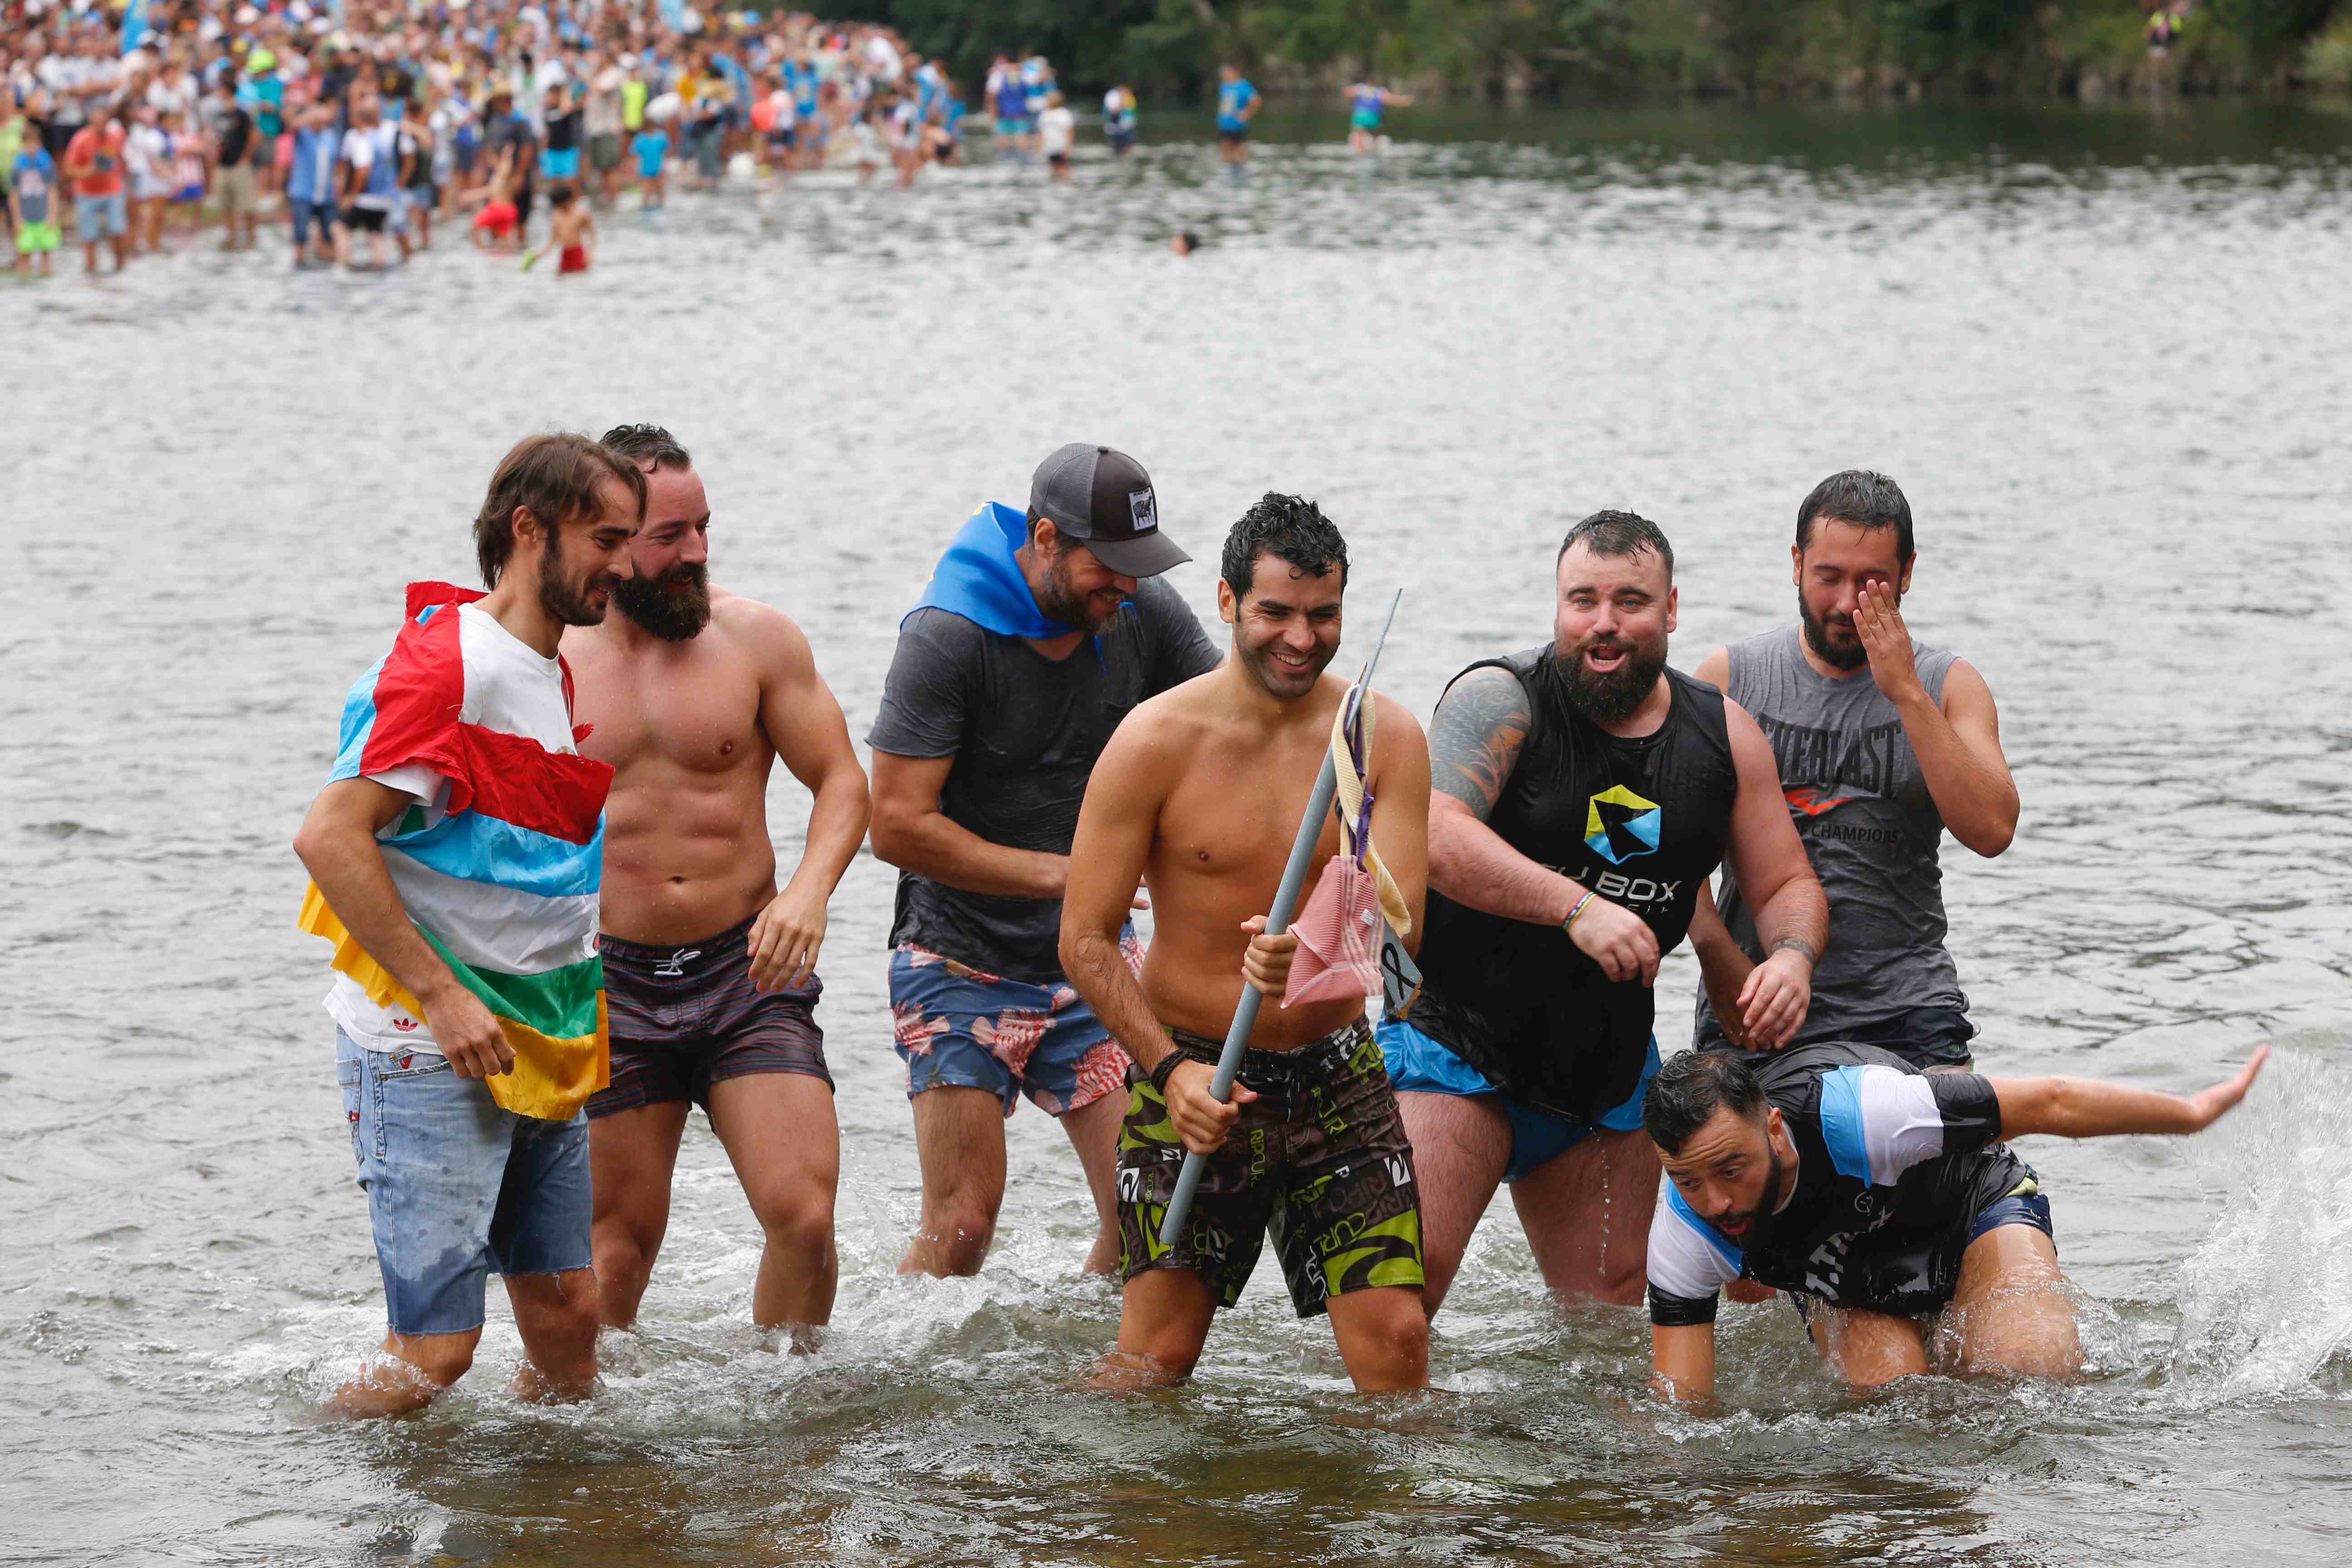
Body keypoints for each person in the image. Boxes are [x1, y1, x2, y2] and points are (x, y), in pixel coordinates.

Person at [1382, 511, 1828, 1318]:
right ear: (1556, 606)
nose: (1603, 624)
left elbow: (1783, 881)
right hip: (1456, 1046)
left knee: (1612, 1320)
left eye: (1629, 601)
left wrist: (1790, 956)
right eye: (1581, 600)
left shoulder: (1722, 738)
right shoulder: (1499, 700)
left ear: (1670, 608)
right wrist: (1573, 906)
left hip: (1602, 1077)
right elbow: (1430, 833)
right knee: (1402, 1300)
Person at [291, 431, 648, 1419]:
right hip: (427, 1046)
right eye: (605, 538)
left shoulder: (544, 667)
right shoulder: (450, 664)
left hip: (531, 1038)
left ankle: (560, 1521)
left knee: (571, 1321)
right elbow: (330, 836)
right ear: (529, 530)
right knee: (435, 1356)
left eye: (632, 540)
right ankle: (302, 1483)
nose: (625, 565)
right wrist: (442, 998)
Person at [1060, 493, 1433, 1392]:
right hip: (1191, 1070)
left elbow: (1403, 937)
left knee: (1398, 1348)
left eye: (1323, 615)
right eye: (1275, 612)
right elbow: (1084, 941)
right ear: (1228, 605)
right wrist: (1169, 1073)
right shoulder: (1153, 742)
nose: (1301, 638)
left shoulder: (1383, 738)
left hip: (1337, 1074)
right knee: (1155, 1364)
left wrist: (1309, 952)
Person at [867, 443, 1220, 1279]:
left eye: (1141, 566)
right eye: (1110, 565)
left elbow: (1229, 724)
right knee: (961, 1229)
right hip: (957, 960)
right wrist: (1067, 876)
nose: (1127, 587)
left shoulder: (1142, 611)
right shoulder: (947, 637)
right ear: (1044, 537)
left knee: (1152, 1212)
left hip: (1088, 961)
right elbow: (894, 827)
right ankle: (922, 1398)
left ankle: (1082, 1377)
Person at [562, 424, 870, 1343]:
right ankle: (586, 1452)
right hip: (608, 981)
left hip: (748, 973)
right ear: (606, 540)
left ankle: (786, 1417)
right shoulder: (550, 660)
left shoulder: (758, 641)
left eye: (705, 528)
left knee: (804, 1218)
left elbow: (845, 784)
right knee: (615, 1252)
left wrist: (809, 889)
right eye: (671, 537)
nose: (697, 552)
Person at [1644, 1040, 2269, 1401]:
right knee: (1897, 1404)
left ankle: (2011, 1294)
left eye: (1732, 1170)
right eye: (1688, 1181)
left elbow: (2051, 1101)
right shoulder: (1685, 1232)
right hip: (1851, 1276)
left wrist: (2189, 1114)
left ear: (1774, 1129)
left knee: (2028, 1373)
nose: (1716, 1202)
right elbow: (1683, 1409)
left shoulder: (1868, 1114)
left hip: (1968, 1205)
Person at [1688, 471, 2018, 1073]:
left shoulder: (1949, 686)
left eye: (1873, 582)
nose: (1846, 603)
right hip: (1754, 994)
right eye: (1829, 577)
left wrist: (1907, 694)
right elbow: (1670, 843)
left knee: (1956, 1149)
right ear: (1796, 564)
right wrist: (1714, 952)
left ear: (1908, 574)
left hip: (1907, 1003)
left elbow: (1993, 831)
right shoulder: (1730, 679)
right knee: (1723, 1157)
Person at [63, 105, 129, 274]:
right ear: (91, 122)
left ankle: (120, 269)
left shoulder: (116, 137)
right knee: (89, 236)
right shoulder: (81, 140)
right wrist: (88, 171)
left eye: (103, 122)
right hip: (87, 192)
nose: (100, 125)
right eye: (96, 122)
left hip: (112, 189)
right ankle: (91, 271)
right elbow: (68, 169)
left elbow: (123, 161)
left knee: (117, 230)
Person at [285, 98, 342, 267]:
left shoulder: (330, 136)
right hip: (303, 193)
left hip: (326, 195)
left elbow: (337, 164)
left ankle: (328, 263)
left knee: (329, 235)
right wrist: (312, 114)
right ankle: (300, 262)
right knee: (300, 235)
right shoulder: (303, 133)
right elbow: (291, 125)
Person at [208, 73, 257, 253]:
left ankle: (251, 236)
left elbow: (254, 137)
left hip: (239, 164)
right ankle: (232, 236)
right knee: (227, 204)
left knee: (247, 204)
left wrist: (245, 158)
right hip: (223, 164)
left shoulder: (242, 114)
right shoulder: (220, 115)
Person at [9, 132, 59, 277]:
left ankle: (46, 279)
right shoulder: (18, 165)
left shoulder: (47, 164)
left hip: (43, 213)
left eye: (33, 143)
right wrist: (17, 217)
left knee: (46, 252)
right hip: (25, 214)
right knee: (24, 252)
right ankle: (24, 284)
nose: (30, 147)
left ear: (39, 144)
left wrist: (52, 214)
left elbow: (52, 190)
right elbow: (14, 193)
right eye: (27, 144)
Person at [1214, 64, 1258, 181]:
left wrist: (1247, 113)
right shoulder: (1224, 86)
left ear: (1234, 72)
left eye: (1227, 73)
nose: (1224, 75)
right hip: (1224, 124)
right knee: (1225, 149)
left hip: (1237, 125)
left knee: (1239, 150)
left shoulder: (1243, 86)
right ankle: (1229, 174)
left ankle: (1241, 175)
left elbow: (1256, 101)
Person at [1345, 80, 1411, 157]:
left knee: (1359, 133)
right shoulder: (1380, 92)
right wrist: (1404, 100)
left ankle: (1360, 147)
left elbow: (1347, 92)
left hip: (1359, 117)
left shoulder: (1360, 89)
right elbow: (1393, 100)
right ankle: (1374, 145)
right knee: (1375, 135)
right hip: (1374, 119)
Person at [545, 180, 593, 274]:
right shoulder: (556, 215)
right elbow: (553, 240)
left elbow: (592, 235)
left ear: (568, 200)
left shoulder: (581, 214)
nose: (559, 208)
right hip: (565, 254)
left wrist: (589, 254)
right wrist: (539, 255)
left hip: (578, 253)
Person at [630, 118, 668, 210]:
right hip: (646, 168)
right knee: (647, 190)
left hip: (658, 167)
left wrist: (665, 167)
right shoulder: (641, 138)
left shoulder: (661, 136)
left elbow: (666, 152)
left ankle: (660, 205)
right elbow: (635, 154)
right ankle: (647, 206)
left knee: (660, 188)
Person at [1036, 90, 1073, 182]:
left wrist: (1068, 147)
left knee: (1064, 167)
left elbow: (1069, 132)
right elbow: (1041, 133)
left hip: (1061, 146)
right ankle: (1056, 182)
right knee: (1053, 167)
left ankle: (1066, 183)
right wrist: (1039, 147)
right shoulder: (1045, 114)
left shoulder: (1064, 113)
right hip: (1050, 146)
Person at [1102, 84, 1137, 156]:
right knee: (1119, 146)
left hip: (1127, 126)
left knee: (1128, 146)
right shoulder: (1112, 96)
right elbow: (1113, 111)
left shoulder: (1129, 97)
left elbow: (1132, 112)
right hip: (1117, 126)